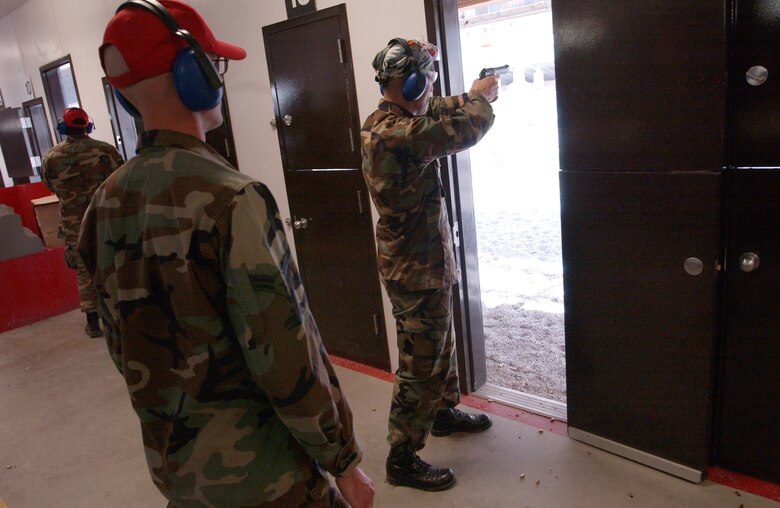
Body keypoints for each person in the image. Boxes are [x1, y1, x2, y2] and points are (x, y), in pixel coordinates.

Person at [77, 1, 373, 506]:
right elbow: (286, 356)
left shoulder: (101, 205)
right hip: (266, 480)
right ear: (192, 74)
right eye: (214, 65)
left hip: (179, 479)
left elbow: (122, 350)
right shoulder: (233, 198)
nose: (220, 78)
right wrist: (342, 460)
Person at [360, 37, 500, 492]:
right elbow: (465, 128)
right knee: (420, 360)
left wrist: (467, 90)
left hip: (425, 259)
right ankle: (401, 456)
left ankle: (441, 413)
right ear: (413, 82)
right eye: (428, 80)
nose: (432, 89)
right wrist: (480, 98)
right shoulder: (397, 133)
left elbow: (435, 107)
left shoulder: (394, 116)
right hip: (412, 267)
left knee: (441, 342)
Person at [42, 106, 124, 338]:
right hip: (103, 217)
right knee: (111, 265)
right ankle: (117, 316)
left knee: (84, 270)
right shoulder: (105, 151)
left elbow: (49, 185)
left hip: (73, 222)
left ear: (63, 127)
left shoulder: (52, 157)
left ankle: (92, 323)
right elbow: (120, 179)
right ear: (87, 125)